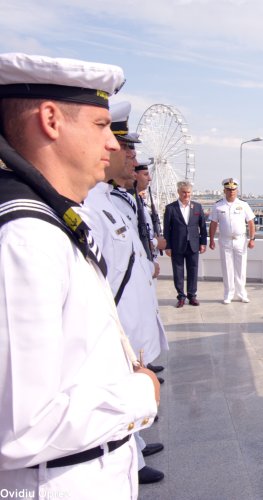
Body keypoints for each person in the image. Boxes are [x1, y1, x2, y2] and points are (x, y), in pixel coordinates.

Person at [0, 52, 159, 499]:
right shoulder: (25, 240)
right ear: (50, 119)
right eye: (99, 125)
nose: (112, 144)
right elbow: (21, 427)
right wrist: (141, 393)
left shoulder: (46, 223)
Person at [81, 100, 167, 485]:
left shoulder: (112, 201)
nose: (129, 155)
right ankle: (129, 453)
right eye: (126, 146)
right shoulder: (91, 205)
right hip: (114, 325)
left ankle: (133, 444)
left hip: (129, 320)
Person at [209, 177, 256, 304]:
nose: (231, 192)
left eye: (234, 189)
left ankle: (242, 293)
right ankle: (228, 294)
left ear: (237, 190)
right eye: (229, 189)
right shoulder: (218, 205)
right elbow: (213, 224)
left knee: (241, 268)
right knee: (227, 268)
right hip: (225, 240)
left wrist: (252, 239)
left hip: (241, 240)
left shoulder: (243, 205)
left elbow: (251, 223)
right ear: (224, 190)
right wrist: (211, 239)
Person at [163, 181, 207, 307]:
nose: (186, 195)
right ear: (178, 192)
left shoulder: (197, 207)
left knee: (193, 270)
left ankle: (192, 296)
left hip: (193, 244)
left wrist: (203, 243)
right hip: (177, 244)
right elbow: (167, 229)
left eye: (188, 192)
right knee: (178, 271)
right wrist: (168, 246)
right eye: (183, 192)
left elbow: (202, 227)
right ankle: (181, 296)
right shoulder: (170, 208)